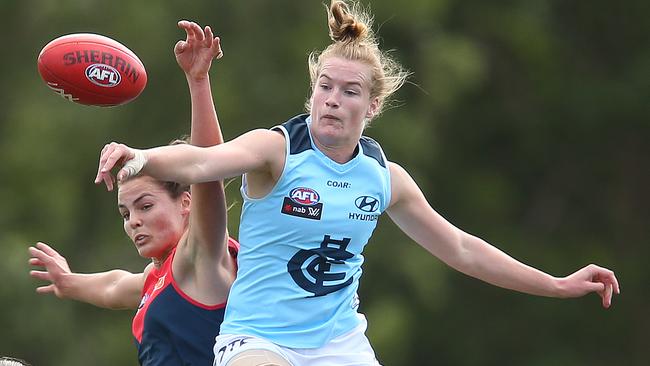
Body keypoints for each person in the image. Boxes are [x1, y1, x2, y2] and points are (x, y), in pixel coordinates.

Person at [94, 1, 621, 365]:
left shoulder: (382, 177)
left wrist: (555, 283)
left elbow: (461, 248)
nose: (331, 99)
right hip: (258, 339)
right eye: (324, 86)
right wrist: (140, 158)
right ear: (312, 92)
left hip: (339, 343)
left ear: (372, 107)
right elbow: (202, 163)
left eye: (348, 92)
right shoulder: (277, 151)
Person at [29, 21, 238, 366]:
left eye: (145, 206)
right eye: (126, 214)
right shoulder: (157, 276)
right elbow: (114, 287)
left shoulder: (200, 259)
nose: (134, 222)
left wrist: (198, 81)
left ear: (186, 202)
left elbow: (208, 170)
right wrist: (68, 282)